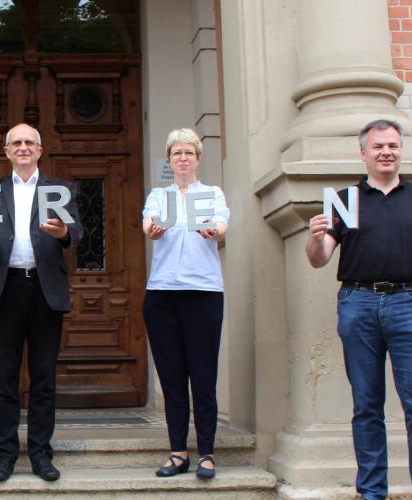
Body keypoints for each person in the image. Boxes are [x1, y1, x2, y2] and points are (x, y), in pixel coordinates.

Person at [306, 119, 412, 499]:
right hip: (357, 303)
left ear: (400, 150)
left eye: (393, 146)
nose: (386, 152)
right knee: (367, 405)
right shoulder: (344, 199)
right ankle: (372, 493)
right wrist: (315, 237)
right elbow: (319, 259)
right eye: (378, 146)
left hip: (409, 303)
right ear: (363, 153)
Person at [0, 123, 82, 482]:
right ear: (6, 151)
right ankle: (5, 454)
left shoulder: (60, 189)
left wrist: (65, 232)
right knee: (4, 377)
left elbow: (77, 233)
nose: (22, 148)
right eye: (15, 143)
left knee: (44, 378)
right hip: (7, 290)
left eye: (28, 143)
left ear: (39, 150)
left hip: (44, 290)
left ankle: (40, 454)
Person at [141, 128, 229, 480]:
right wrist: (152, 229)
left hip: (203, 293)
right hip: (162, 294)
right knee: (172, 378)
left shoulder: (212, 193)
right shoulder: (158, 196)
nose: (182, 159)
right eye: (177, 153)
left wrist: (215, 231)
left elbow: (223, 224)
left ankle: (206, 452)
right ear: (169, 159)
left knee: (203, 377)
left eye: (189, 153)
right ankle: (178, 452)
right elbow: (147, 221)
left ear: (198, 158)